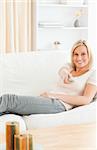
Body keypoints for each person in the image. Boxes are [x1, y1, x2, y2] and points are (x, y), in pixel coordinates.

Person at [0, 40, 97, 115]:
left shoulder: (93, 74)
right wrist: (65, 73)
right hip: (48, 99)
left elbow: (86, 99)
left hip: (59, 104)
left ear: (89, 55)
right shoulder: (70, 67)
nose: (79, 58)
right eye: (76, 54)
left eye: (83, 54)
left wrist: (53, 95)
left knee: (8, 100)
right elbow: (62, 70)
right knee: (8, 109)